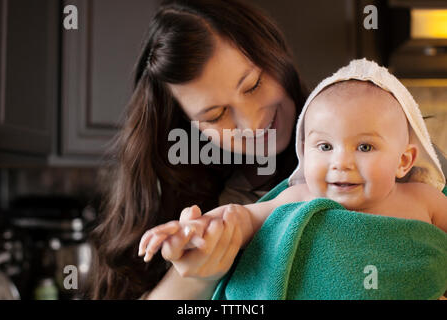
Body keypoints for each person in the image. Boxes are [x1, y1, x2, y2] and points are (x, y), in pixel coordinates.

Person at [138, 60, 447, 292]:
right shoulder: (299, 199)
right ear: (305, 151)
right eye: (324, 146)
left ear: (403, 161)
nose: (340, 162)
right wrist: (193, 230)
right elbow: (238, 218)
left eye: (365, 146)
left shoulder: (424, 199)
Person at [88, 0, 307, 299]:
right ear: (189, 127)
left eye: (253, 85)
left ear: (276, 54)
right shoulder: (183, 205)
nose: (252, 124)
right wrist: (194, 280)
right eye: (215, 115)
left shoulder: (357, 128)